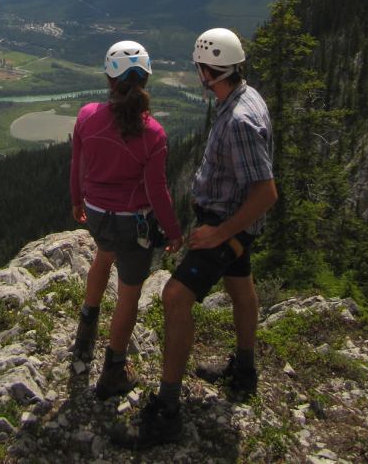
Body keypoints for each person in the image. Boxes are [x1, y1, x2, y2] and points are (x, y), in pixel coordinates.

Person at [114, 27, 276, 448]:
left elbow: (265, 192)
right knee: (241, 287)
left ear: (208, 71)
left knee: (175, 297)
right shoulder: (244, 98)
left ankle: (167, 411)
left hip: (225, 224)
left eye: (199, 68)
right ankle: (244, 371)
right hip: (229, 221)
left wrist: (219, 233)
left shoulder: (239, 119)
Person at [70, 40, 183, 400]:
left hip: (98, 216)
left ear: (108, 78)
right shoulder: (153, 133)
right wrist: (174, 230)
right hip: (133, 223)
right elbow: (157, 190)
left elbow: (78, 165)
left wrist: (77, 202)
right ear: (146, 79)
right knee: (129, 294)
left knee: (103, 257)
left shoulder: (88, 116)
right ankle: (113, 370)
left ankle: (86, 328)